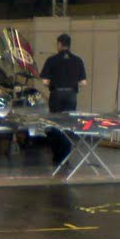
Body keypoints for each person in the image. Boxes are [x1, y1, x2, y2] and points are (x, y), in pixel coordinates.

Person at [39, 33, 88, 166]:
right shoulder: (78, 60)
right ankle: (66, 156)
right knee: (68, 124)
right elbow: (84, 82)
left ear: (59, 44)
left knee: (55, 124)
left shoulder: (52, 60)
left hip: (56, 95)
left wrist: (55, 83)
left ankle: (57, 155)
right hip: (71, 96)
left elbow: (44, 81)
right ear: (69, 45)